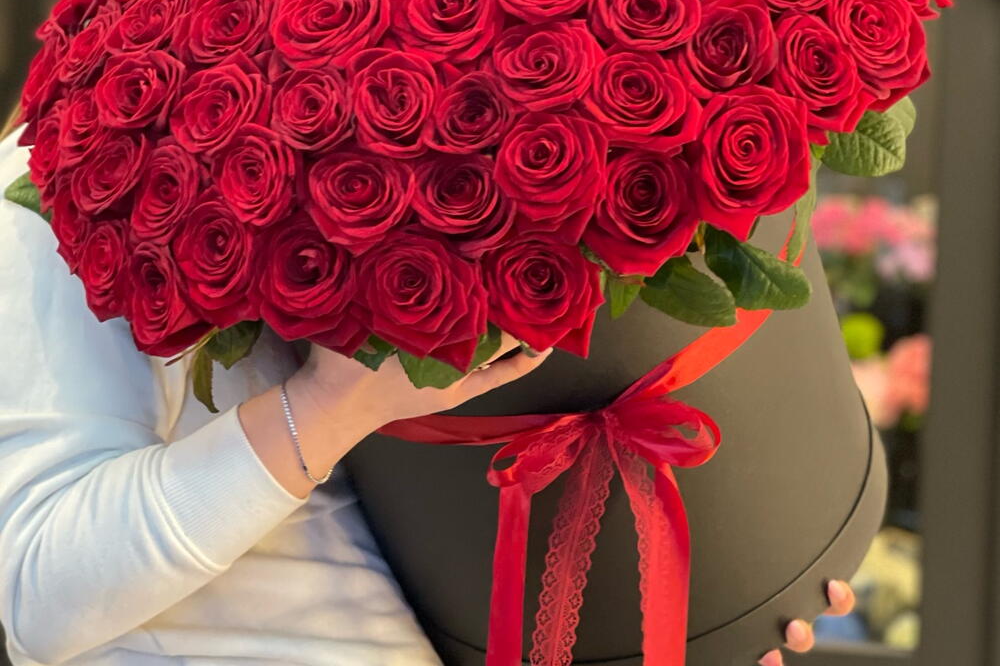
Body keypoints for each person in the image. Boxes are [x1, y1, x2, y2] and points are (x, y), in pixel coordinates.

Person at [0, 123, 852, 665]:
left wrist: (698, 612)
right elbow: (39, 593)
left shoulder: (389, 153)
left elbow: (380, 549)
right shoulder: (66, 183)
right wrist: (336, 404)